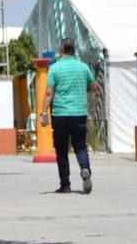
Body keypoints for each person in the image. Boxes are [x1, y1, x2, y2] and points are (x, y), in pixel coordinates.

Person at [40, 37, 97, 194]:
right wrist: (81, 87)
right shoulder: (83, 67)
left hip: (60, 115)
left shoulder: (54, 69)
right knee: (80, 146)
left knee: (61, 150)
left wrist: (43, 113)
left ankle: (65, 185)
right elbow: (94, 87)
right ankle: (85, 169)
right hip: (79, 113)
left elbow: (49, 93)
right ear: (74, 50)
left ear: (61, 50)